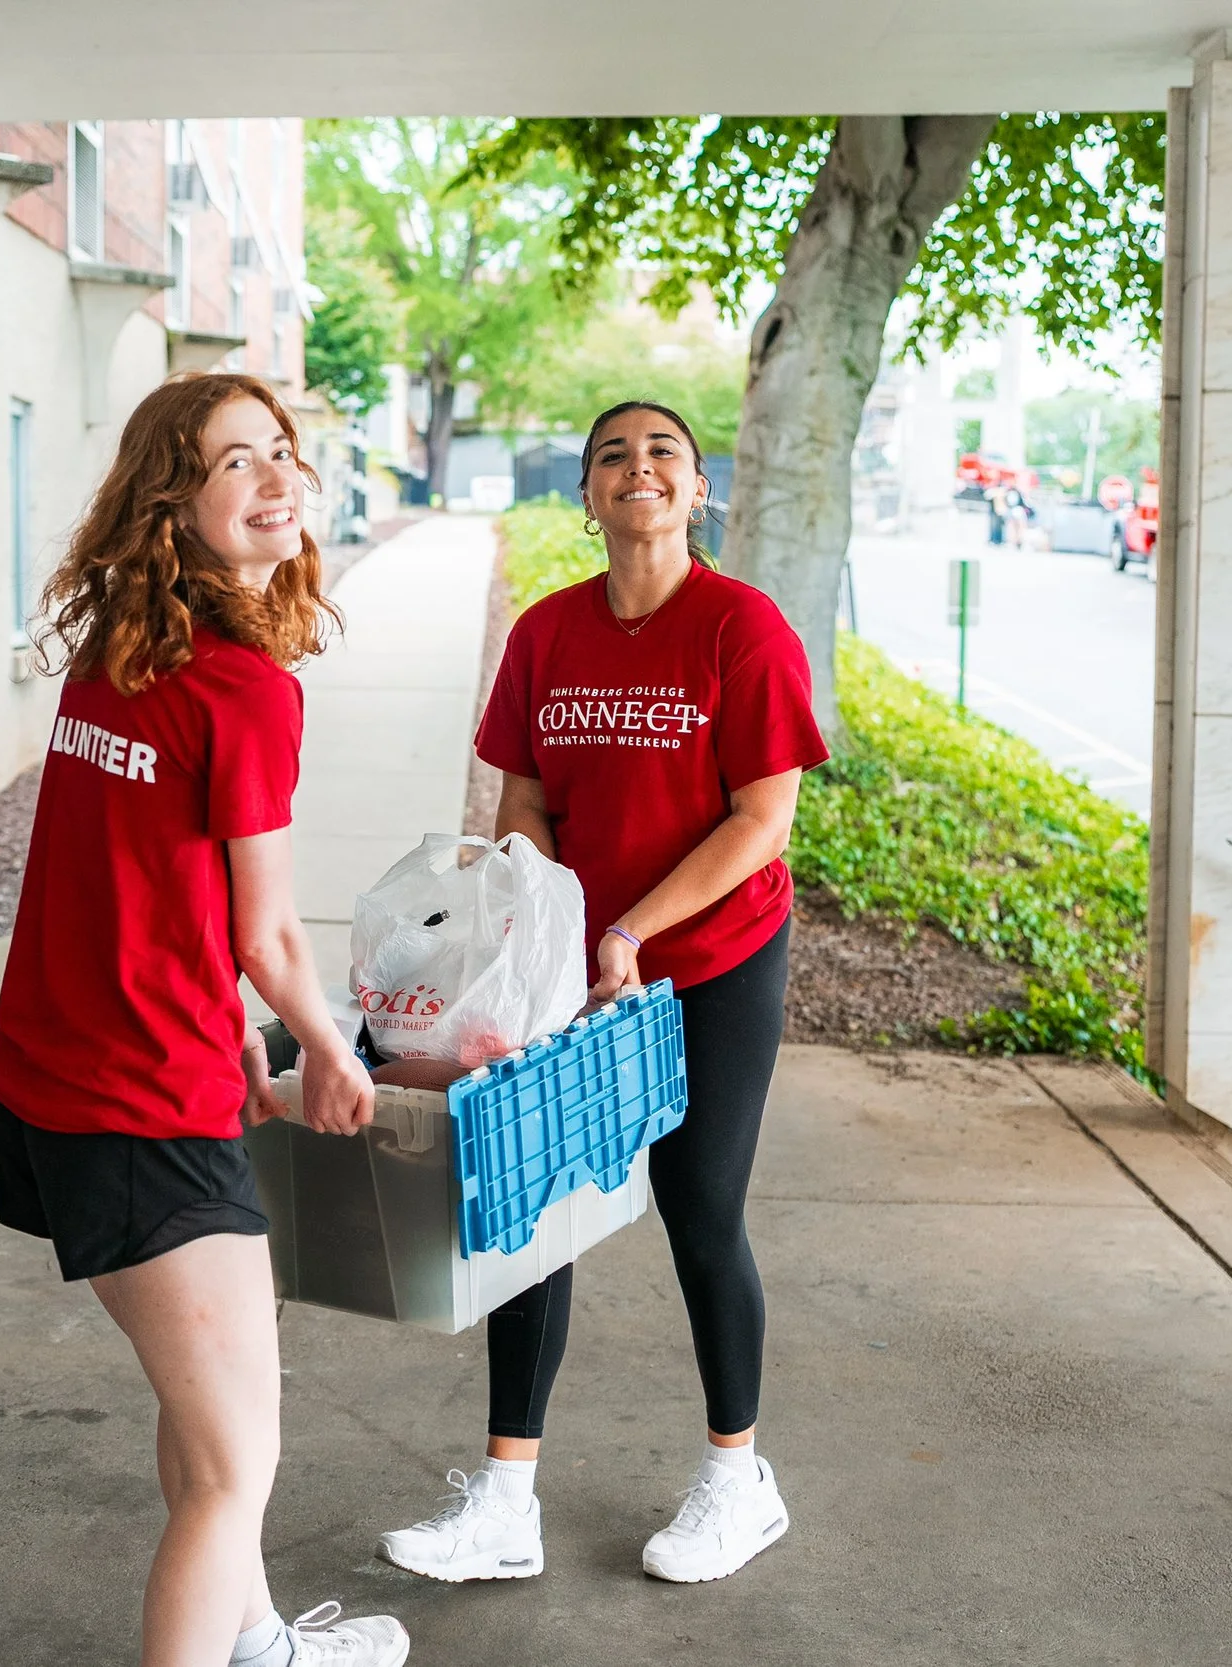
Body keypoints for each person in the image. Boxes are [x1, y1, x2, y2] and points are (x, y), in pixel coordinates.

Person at [0, 373, 410, 1667]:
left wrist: (230, 1024)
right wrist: (331, 1047)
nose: (278, 478)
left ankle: (260, 1638)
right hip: (141, 1105)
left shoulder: (120, 662)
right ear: (173, 497)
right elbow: (267, 933)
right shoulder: (237, 687)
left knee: (209, 1409)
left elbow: (144, 893)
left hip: (62, 1080)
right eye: (238, 462)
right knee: (238, 1462)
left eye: (283, 452)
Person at [377, 400, 828, 1587]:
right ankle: (506, 1501)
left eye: (662, 453)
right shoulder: (547, 635)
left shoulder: (741, 627)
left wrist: (632, 925)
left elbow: (761, 819)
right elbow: (522, 799)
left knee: (698, 1204)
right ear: (585, 494)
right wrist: (540, 922)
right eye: (612, 455)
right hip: (570, 967)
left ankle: (739, 1478)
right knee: (531, 1211)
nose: (639, 468)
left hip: (713, 960)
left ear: (695, 490)